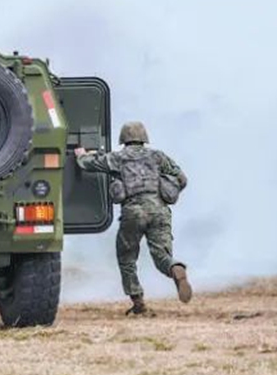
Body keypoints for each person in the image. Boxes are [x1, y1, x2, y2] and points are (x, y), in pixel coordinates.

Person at [75, 121, 191, 316]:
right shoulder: (158, 156)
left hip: (133, 212)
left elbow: (89, 164)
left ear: (123, 139)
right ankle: (175, 268)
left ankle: (138, 303)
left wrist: (81, 155)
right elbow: (182, 179)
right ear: (144, 138)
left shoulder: (118, 158)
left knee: (127, 258)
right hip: (159, 211)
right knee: (161, 255)